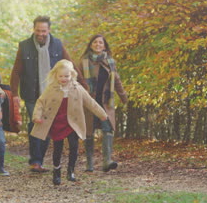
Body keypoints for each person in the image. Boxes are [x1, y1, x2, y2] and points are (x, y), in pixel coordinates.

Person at [10, 15, 87, 173]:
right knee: (36, 122)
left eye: (44, 31)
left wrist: (83, 85)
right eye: (38, 30)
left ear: (49, 30)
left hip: (53, 94)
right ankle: (35, 161)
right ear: (34, 29)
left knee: (48, 124)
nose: (41, 34)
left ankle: (39, 160)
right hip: (32, 93)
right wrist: (14, 93)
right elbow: (16, 71)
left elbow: (70, 66)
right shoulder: (24, 46)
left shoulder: (57, 45)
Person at [31, 59, 108, 185]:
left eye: (66, 76)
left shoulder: (78, 88)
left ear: (72, 75)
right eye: (60, 76)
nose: (63, 78)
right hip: (57, 122)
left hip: (73, 122)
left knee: (74, 147)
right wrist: (37, 116)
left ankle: (71, 171)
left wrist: (102, 114)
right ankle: (56, 171)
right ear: (56, 75)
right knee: (57, 148)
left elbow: (90, 102)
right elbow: (41, 102)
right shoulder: (51, 88)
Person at [78, 34, 128, 172]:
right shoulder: (83, 62)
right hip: (89, 102)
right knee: (89, 132)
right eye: (95, 42)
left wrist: (123, 96)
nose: (98, 45)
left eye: (100, 43)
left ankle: (107, 161)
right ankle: (89, 164)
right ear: (91, 45)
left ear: (104, 46)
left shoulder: (110, 62)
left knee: (108, 129)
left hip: (106, 101)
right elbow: (78, 81)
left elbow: (116, 80)